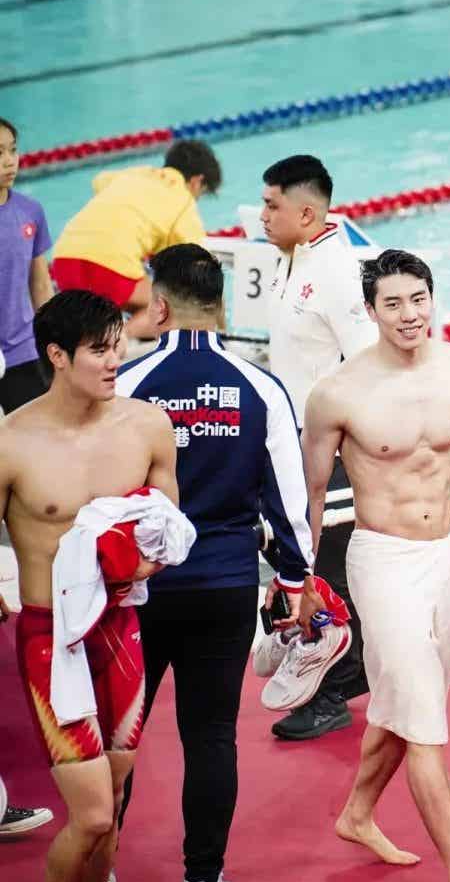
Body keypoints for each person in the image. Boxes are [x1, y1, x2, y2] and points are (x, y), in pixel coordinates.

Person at [303, 249, 450, 882]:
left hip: (445, 559)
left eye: (418, 299)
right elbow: (311, 493)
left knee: (406, 703)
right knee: (425, 718)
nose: (408, 314)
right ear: (370, 312)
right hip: (380, 561)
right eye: (393, 303)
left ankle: (357, 813)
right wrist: (301, 580)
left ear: (433, 298)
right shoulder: (338, 392)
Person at [116, 243, 323, 882]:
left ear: (160, 306)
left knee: (119, 732)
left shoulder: (127, 382)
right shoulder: (260, 387)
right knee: (210, 735)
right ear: (223, 304)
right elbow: (289, 501)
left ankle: (99, 869)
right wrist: (293, 579)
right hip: (224, 584)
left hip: (138, 588)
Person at [0, 289, 177, 882]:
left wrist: (144, 563)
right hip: (53, 641)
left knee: (116, 800)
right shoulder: (12, 441)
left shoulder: (147, 426)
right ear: (56, 356)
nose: (116, 360)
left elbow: (170, 527)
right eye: (100, 350)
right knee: (94, 814)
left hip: (121, 630)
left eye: (118, 345)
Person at [260, 154, 376, 741]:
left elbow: (369, 363)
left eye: (271, 204)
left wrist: (341, 448)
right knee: (307, 561)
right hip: (296, 444)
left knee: (325, 567)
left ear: (306, 213)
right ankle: (346, 675)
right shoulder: (291, 259)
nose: (262, 215)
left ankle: (332, 692)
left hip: (327, 449)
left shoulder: (337, 272)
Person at [51, 140, 221, 341]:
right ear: (197, 181)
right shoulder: (184, 203)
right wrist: (219, 327)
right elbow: (203, 271)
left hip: (64, 259)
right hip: (109, 269)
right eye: (202, 191)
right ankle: (117, 339)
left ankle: (104, 338)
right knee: (175, 309)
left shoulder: (134, 173)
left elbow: (99, 180)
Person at [0, 117, 54, 414]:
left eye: (13, 150)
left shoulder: (30, 211)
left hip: (23, 351)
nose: (10, 161)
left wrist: (53, 338)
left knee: (39, 434)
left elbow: (40, 283)